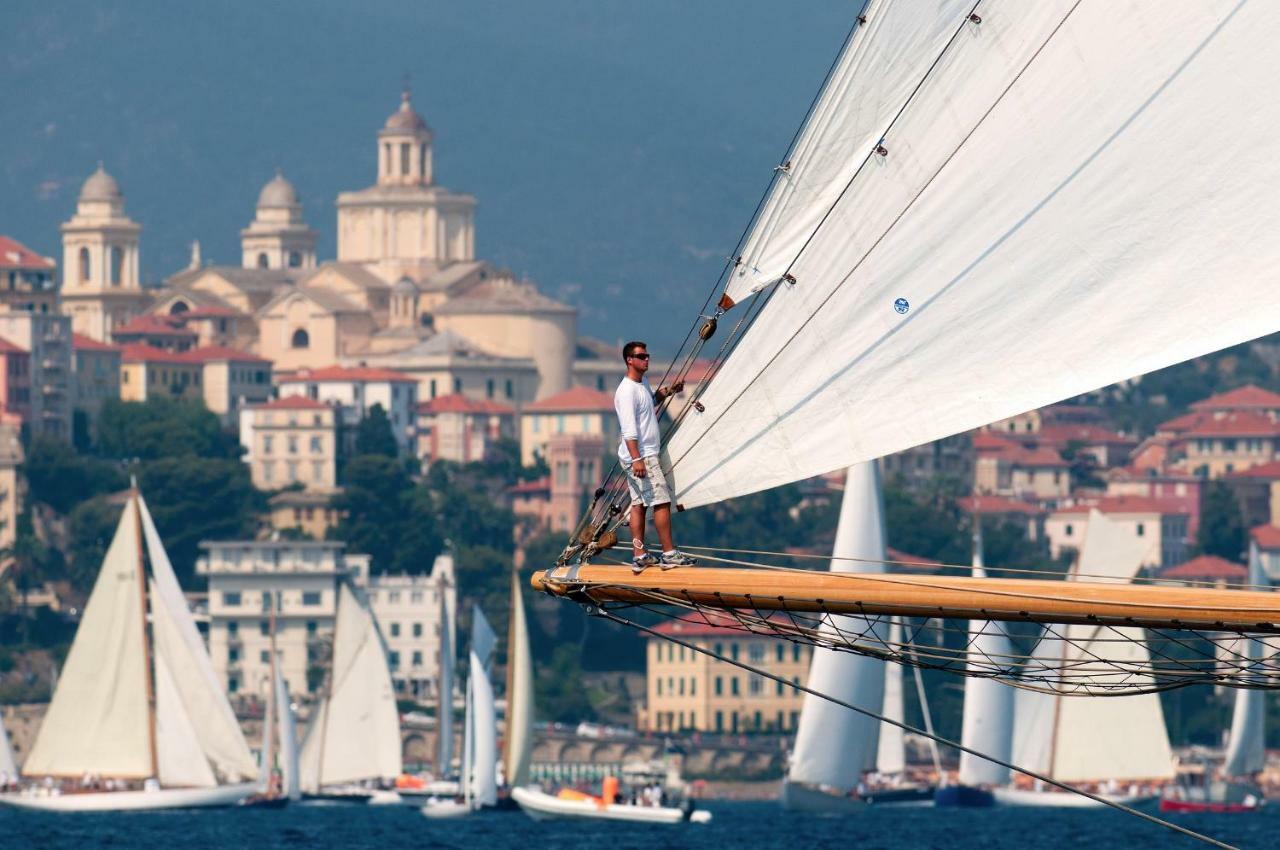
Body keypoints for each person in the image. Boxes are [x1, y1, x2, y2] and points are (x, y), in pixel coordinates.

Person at [614, 341, 697, 573]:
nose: (646, 359)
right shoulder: (626, 391)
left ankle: (639, 555)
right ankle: (669, 554)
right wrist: (637, 459)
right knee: (661, 502)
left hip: (642, 455)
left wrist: (669, 391)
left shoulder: (641, 384)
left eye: (648, 355)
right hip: (642, 456)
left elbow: (650, 401)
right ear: (629, 360)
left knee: (638, 504)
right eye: (641, 356)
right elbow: (629, 429)